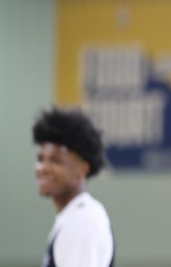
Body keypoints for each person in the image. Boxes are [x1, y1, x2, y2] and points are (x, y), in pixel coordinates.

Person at [33, 107, 115, 267]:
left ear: (83, 169)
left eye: (56, 160)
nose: (43, 168)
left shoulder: (82, 222)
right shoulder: (73, 217)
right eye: (41, 159)